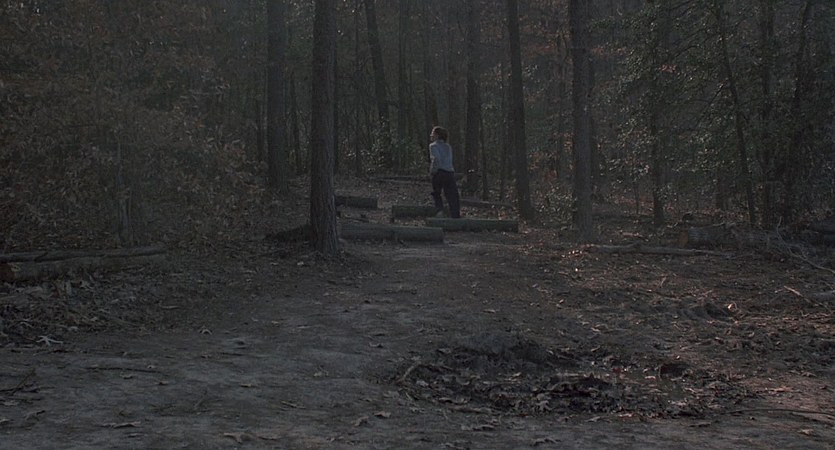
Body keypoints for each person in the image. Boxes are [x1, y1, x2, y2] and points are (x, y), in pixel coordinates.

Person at [428, 126, 461, 218]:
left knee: (436, 193)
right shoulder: (448, 146)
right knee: (452, 195)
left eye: (433, 133)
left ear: (437, 135)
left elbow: (436, 159)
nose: (431, 135)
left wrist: (433, 171)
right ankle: (455, 214)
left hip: (439, 172)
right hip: (449, 173)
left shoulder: (433, 146)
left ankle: (439, 211)